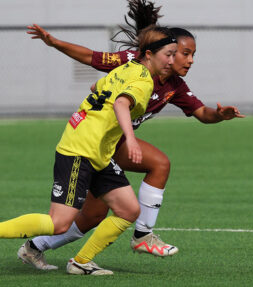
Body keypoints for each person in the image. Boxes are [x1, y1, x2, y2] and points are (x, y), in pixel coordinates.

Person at [19, 0, 244, 271]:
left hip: (113, 144)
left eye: (192, 55)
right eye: (185, 53)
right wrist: (54, 43)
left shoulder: (175, 85)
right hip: (96, 141)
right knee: (158, 164)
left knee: (94, 215)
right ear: (166, 51)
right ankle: (142, 235)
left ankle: (36, 247)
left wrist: (220, 115)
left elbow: (202, 114)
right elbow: (91, 57)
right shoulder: (132, 62)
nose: (190, 60)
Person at [0, 24, 178, 275]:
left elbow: (96, 88)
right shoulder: (144, 81)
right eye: (168, 54)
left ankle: (81, 262)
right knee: (59, 223)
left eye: (174, 54)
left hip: (98, 152)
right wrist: (131, 137)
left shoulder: (127, 68)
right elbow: (121, 103)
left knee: (128, 210)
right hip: (80, 149)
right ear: (148, 54)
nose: (171, 60)